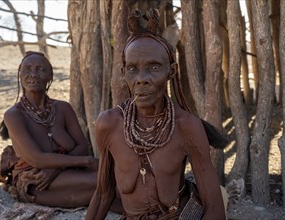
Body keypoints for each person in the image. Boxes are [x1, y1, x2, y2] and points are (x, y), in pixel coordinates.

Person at [86, 9, 227, 219]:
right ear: (124, 74)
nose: (141, 79)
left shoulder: (186, 126)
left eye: (154, 67)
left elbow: (214, 207)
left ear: (171, 71)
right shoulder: (109, 124)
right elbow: (103, 194)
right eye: (133, 69)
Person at [0, 51, 98, 208]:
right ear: (20, 74)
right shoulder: (14, 115)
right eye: (27, 69)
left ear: (50, 76)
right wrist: (87, 161)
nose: (33, 74)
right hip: (38, 182)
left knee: (116, 186)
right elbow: (36, 159)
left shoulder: (63, 108)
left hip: (64, 174)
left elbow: (82, 146)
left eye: (40, 69)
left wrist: (56, 169)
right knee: (105, 181)